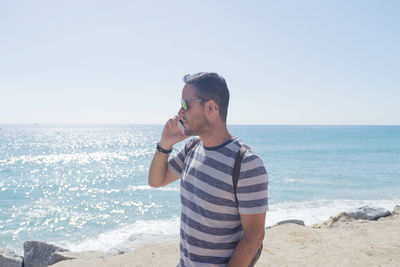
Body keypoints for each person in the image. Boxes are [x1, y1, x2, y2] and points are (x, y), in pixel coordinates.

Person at [148, 72, 268, 266]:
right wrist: (164, 145)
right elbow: (156, 181)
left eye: (186, 104)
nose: (180, 112)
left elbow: (254, 236)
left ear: (210, 107)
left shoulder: (246, 163)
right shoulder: (192, 147)